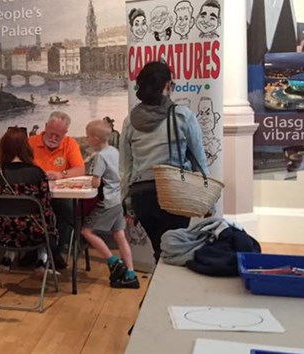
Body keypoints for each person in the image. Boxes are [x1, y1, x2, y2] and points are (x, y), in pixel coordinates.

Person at [119, 61, 208, 262]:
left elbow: (125, 168)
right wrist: (205, 196)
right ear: (167, 85)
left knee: (160, 249)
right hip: (174, 193)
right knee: (175, 251)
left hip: (142, 197)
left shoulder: (130, 121)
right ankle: (169, 291)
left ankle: (157, 288)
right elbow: (200, 161)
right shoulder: (182, 116)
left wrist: (126, 201)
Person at [0, 127, 59, 274]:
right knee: (49, 218)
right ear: (26, 147)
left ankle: (9, 256)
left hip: (5, 233)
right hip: (34, 233)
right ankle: (42, 258)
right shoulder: (37, 173)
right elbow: (45, 206)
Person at [82, 120, 138, 289]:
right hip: (118, 200)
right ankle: (130, 273)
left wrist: (90, 180)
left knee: (86, 231)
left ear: (96, 138)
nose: (86, 139)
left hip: (107, 202)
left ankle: (113, 261)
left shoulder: (100, 156)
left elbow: (96, 183)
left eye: (88, 136)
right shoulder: (114, 151)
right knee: (119, 235)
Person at [28, 111, 85, 268]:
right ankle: (31, 250)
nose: (53, 138)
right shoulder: (30, 143)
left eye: (58, 136)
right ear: (45, 127)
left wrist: (61, 174)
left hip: (59, 194)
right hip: (34, 194)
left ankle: (55, 251)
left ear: (65, 133)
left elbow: (80, 170)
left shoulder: (70, 144)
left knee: (67, 211)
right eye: (51, 134)